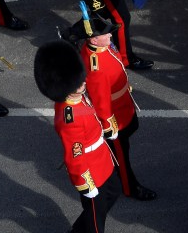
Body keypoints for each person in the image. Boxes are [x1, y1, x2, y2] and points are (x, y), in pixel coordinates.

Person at [63, 11, 157, 202]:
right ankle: (129, 187)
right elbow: (101, 100)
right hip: (115, 115)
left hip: (122, 105)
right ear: (94, 40)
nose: (110, 35)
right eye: (106, 34)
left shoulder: (103, 48)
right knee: (121, 155)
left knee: (124, 148)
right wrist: (108, 124)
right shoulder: (95, 66)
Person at [34, 40, 121, 233]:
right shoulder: (69, 117)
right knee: (96, 222)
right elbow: (75, 155)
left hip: (102, 158)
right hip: (90, 169)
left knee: (113, 192)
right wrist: (85, 182)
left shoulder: (76, 94)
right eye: (79, 82)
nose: (84, 83)